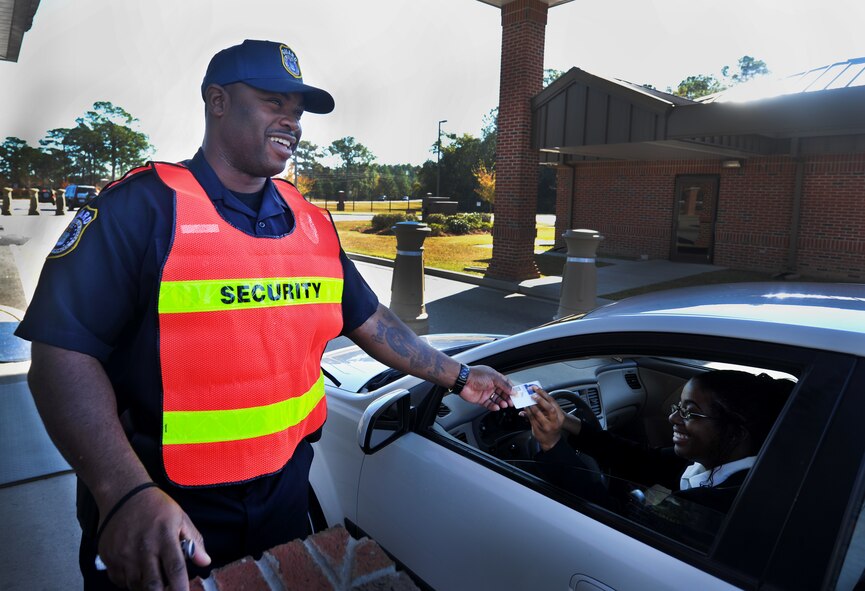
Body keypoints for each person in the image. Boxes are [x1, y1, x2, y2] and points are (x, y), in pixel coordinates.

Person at [15, 39, 513, 591]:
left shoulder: (311, 223)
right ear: (218, 101)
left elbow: (373, 322)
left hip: (283, 502)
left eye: (297, 112)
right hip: (163, 514)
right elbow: (62, 354)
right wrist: (122, 493)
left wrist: (462, 376)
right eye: (274, 102)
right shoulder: (139, 207)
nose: (291, 121)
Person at [523, 370, 793, 513]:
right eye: (678, 406)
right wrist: (566, 422)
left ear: (735, 433)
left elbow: (613, 518)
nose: (673, 416)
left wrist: (551, 446)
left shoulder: (711, 505)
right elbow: (641, 459)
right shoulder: (719, 461)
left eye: (689, 411)